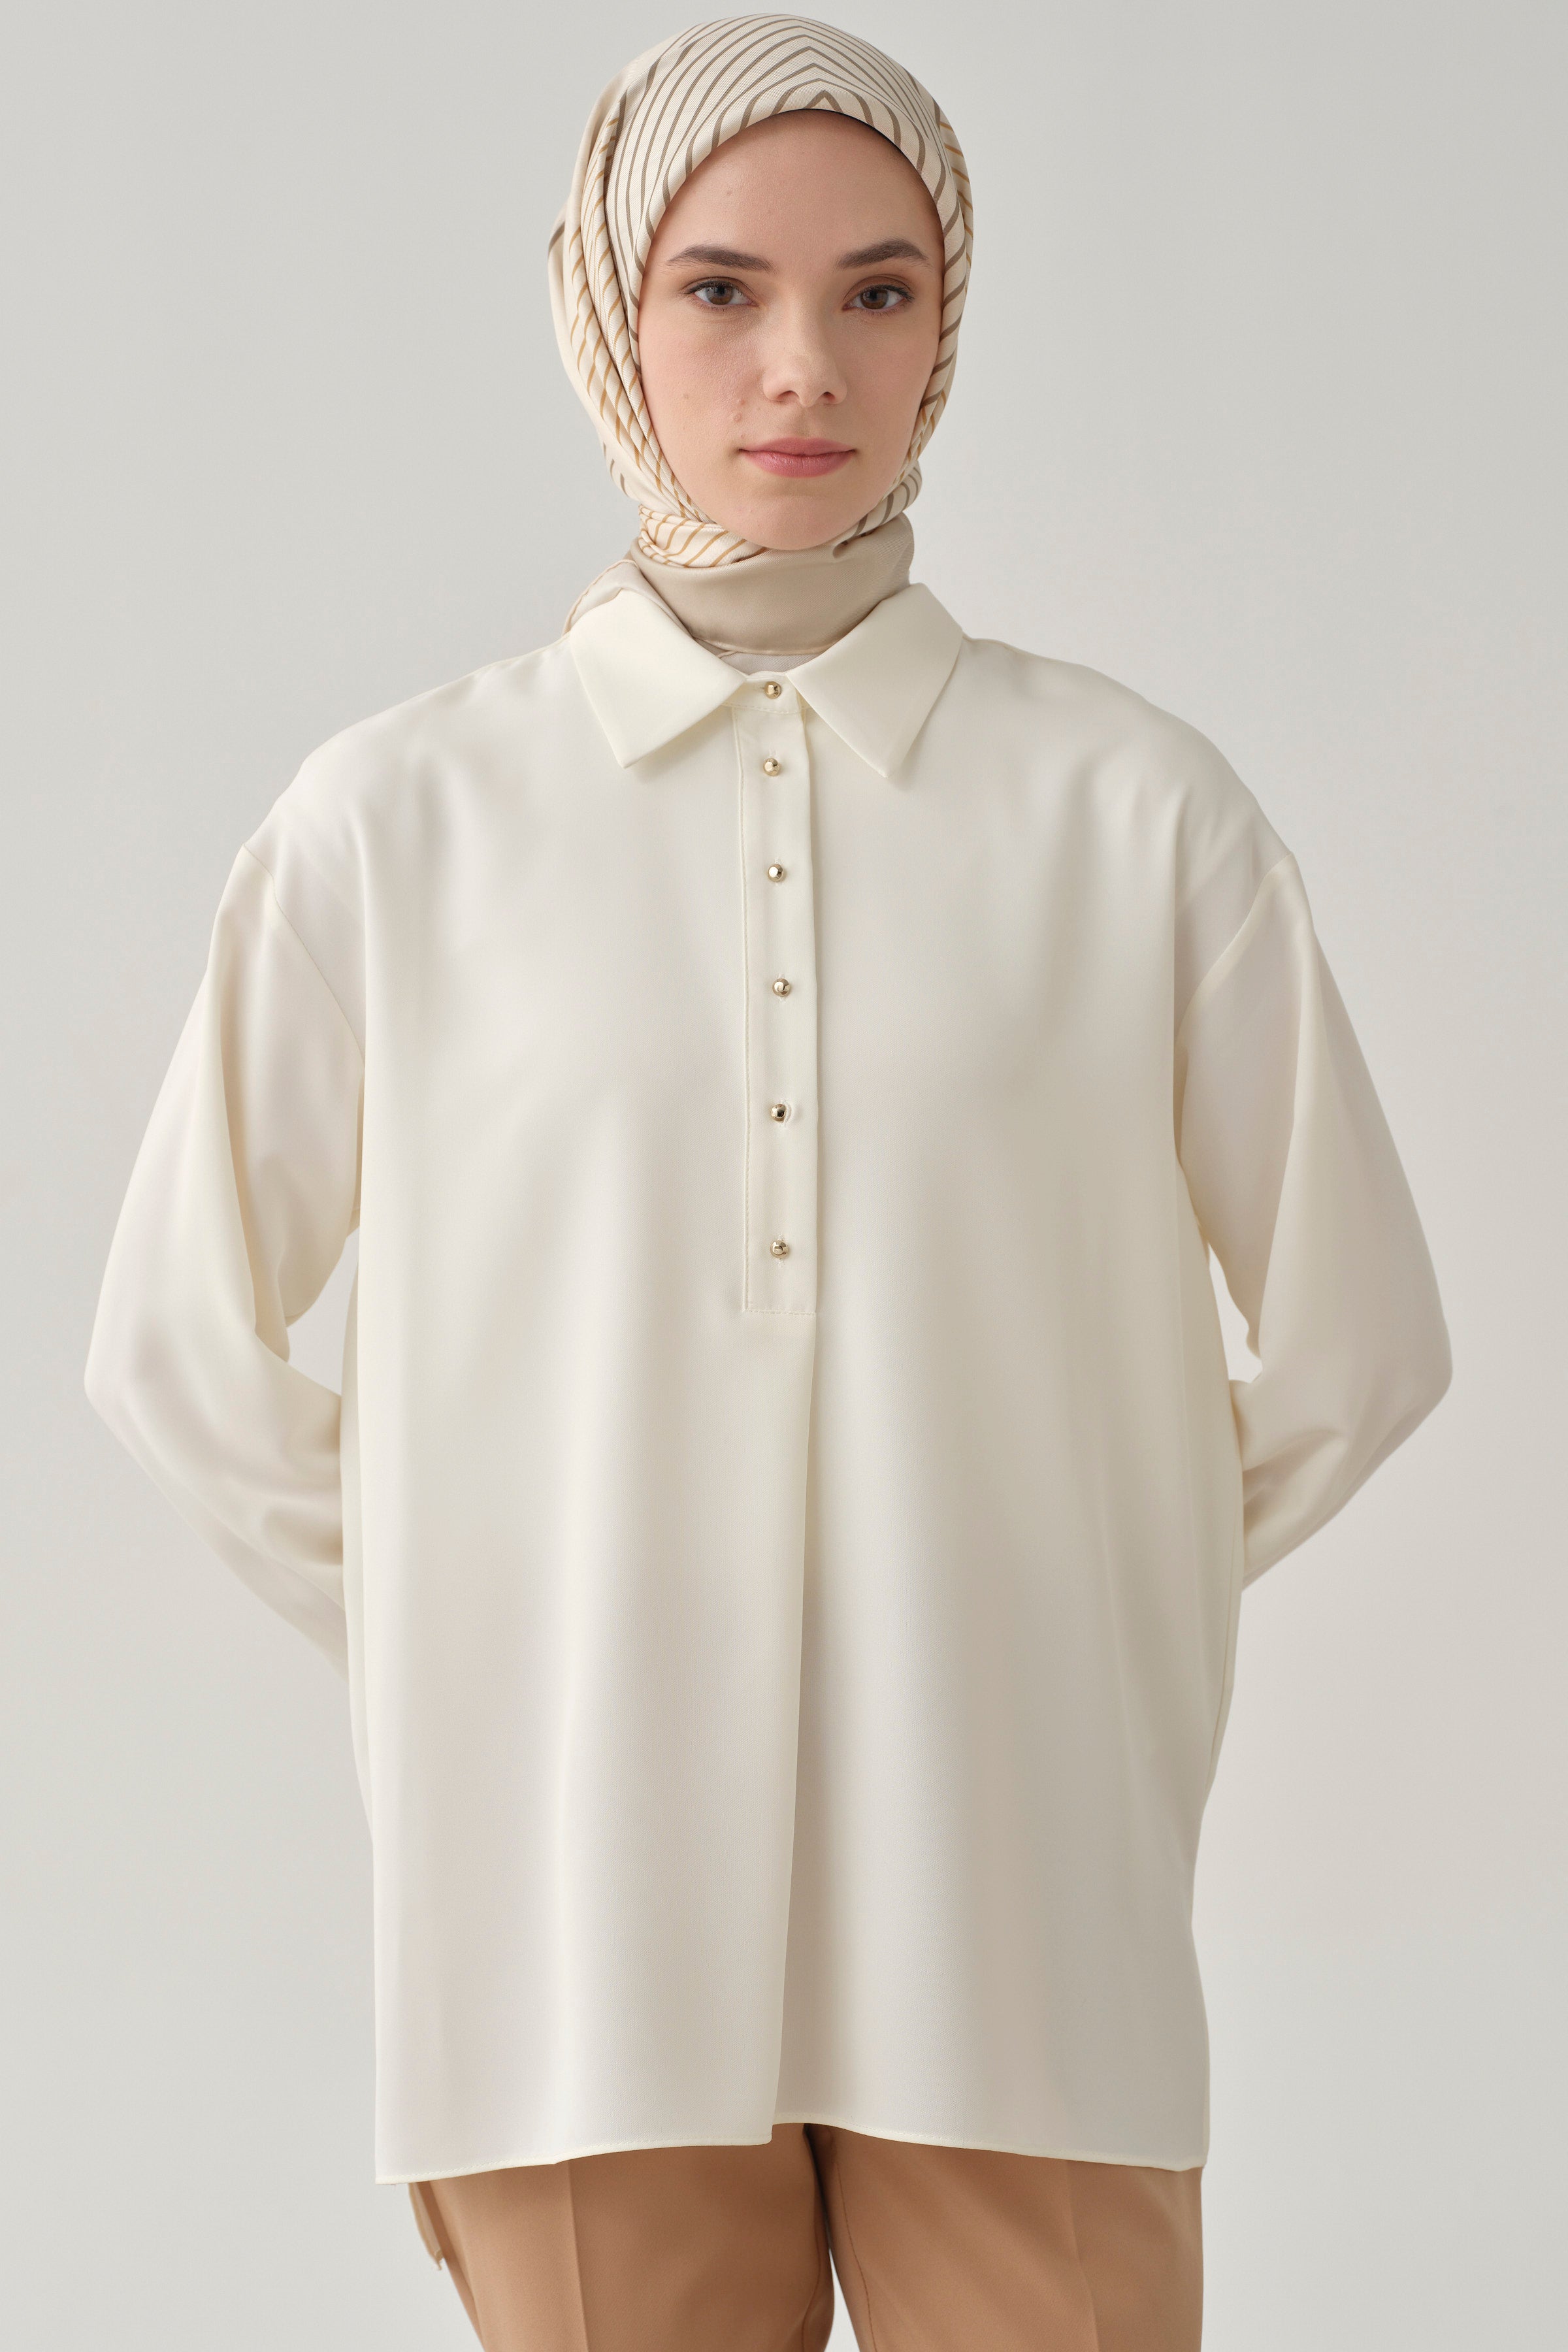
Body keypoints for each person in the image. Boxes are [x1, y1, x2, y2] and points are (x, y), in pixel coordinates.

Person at [83, 16, 1452, 2350]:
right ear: (609, 310)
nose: (804, 364)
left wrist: (1063, 1591)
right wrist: (483, 1611)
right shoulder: (397, 824)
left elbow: (1358, 1337)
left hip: (1016, 1916)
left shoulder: (1135, 814)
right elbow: (176, 1350)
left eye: (877, 290)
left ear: (947, 324)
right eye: (720, 288)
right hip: (568, 1933)